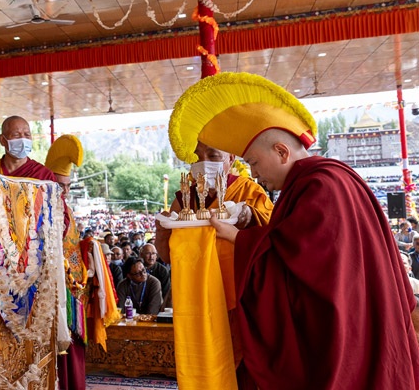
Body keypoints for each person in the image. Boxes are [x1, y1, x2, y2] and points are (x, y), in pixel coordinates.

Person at [171, 71, 419, 389]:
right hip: (360, 312)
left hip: (347, 325)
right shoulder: (323, 179)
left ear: (282, 152)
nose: (256, 174)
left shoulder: (321, 184)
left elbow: (310, 264)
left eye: (256, 163)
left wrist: (240, 239)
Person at [44, 134, 120, 390]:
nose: (64, 191)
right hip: (54, 294)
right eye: (59, 185)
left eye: (67, 186)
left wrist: (89, 249)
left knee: (73, 352)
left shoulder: (66, 209)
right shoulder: (41, 208)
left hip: (74, 292)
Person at [0, 115, 56, 181]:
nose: (23, 139)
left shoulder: (44, 175)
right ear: (2, 140)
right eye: (16, 135)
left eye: (27, 134)